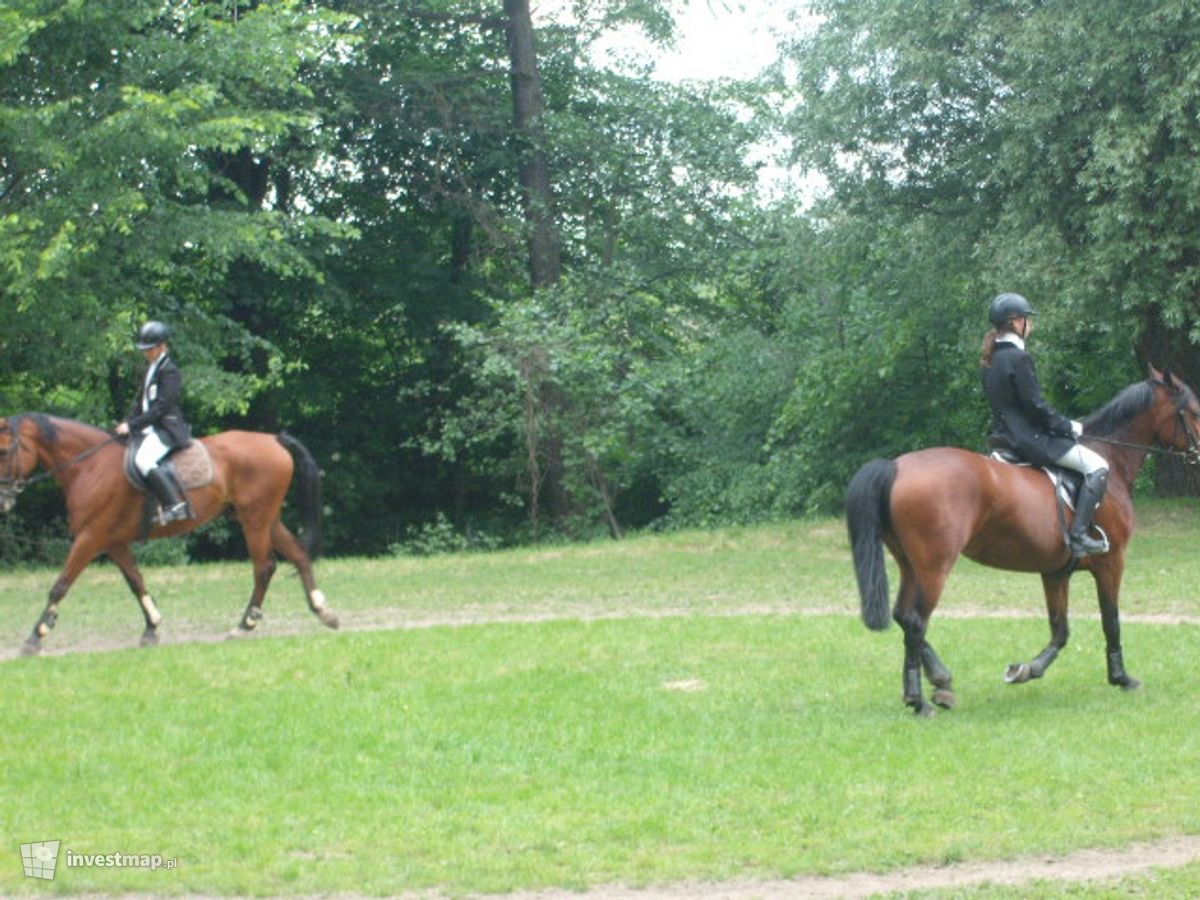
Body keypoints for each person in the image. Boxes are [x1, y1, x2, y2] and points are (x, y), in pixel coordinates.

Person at [981, 292, 1109, 556]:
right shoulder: (1019, 359)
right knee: (1098, 466)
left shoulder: (990, 359)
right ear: (1016, 322)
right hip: (1031, 440)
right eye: (1027, 319)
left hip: (1002, 437)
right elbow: (1036, 408)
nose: (1031, 325)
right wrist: (1068, 426)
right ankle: (1079, 535)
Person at [115, 320, 194, 524]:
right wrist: (126, 423)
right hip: (149, 427)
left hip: (166, 428)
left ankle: (174, 505)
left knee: (143, 460)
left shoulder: (170, 371)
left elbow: (161, 408)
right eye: (145, 349)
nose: (146, 353)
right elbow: (142, 404)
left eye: (150, 349)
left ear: (162, 346)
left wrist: (132, 426)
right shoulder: (151, 368)